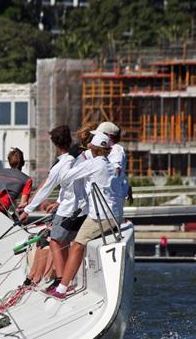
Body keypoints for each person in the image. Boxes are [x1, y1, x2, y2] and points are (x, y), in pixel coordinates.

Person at [48, 131, 117, 299]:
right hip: (113, 214)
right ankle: (66, 282)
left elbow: (65, 176)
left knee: (76, 245)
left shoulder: (94, 163)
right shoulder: (109, 165)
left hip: (99, 216)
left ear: (92, 148)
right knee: (74, 241)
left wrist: (69, 158)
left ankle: (62, 288)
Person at [18, 126, 77, 288]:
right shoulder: (79, 160)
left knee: (54, 241)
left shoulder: (60, 165)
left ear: (55, 145)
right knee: (61, 240)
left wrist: (28, 210)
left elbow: (45, 189)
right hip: (78, 209)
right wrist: (58, 201)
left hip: (67, 210)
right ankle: (63, 277)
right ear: (70, 140)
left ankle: (60, 280)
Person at [96, 121, 131, 222]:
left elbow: (116, 171)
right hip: (107, 203)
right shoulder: (110, 150)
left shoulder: (116, 150)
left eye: (100, 134)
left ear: (109, 136)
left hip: (110, 204)